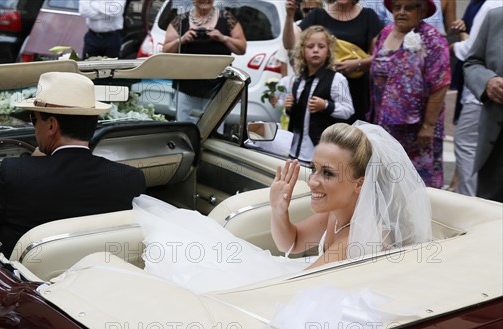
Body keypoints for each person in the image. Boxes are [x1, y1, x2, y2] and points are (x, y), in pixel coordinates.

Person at [133, 122, 432, 292]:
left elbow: (295, 287)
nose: (313, 181)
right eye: (313, 169)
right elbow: (292, 242)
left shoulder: (363, 237)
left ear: (359, 183)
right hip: (302, 284)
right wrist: (279, 209)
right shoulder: (338, 213)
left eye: (327, 173)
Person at [0, 72, 147, 258]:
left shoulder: (16, 173)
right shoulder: (130, 179)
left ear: (52, 126)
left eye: (33, 119)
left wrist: (33, 162)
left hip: (23, 281)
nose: (34, 127)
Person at [368, 0, 451, 188]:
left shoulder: (433, 39)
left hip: (417, 129)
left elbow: (441, 84)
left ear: (421, 10)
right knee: (386, 180)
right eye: (397, 7)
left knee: (416, 183)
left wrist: (428, 125)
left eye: (409, 7)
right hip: (384, 124)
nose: (402, 12)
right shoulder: (386, 32)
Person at [283, 0, 384, 122]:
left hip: (357, 91)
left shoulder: (368, 16)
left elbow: (379, 56)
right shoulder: (317, 14)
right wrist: (289, 16)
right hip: (321, 94)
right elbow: (289, 44)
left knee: (352, 138)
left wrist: (357, 64)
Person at [271, 26, 354, 163]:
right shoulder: (296, 81)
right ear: (302, 51)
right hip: (293, 150)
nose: (315, 50)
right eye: (310, 46)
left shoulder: (337, 79)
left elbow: (348, 110)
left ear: (328, 52)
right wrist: (288, 107)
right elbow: (289, 110)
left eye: (321, 46)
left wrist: (326, 105)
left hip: (320, 151)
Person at [161, 0, 246, 123]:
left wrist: (223, 38)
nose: (205, 0)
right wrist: (182, 39)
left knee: (213, 127)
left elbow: (242, 48)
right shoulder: (180, 20)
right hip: (186, 86)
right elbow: (166, 51)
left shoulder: (227, 18)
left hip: (217, 86)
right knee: (184, 126)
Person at [448, 0, 499, 196]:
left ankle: (470, 203)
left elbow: (471, 50)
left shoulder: (490, 7)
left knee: (467, 146)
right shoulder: (487, 7)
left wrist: (453, 47)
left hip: (479, 99)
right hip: (484, 91)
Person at [463, 6, 503, 203]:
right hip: (496, 142)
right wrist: (487, 81)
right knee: (491, 216)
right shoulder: (496, 17)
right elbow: (472, 62)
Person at [275, 0, 324, 77]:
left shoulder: (326, 29)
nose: (310, 13)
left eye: (313, 10)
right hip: (296, 80)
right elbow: (283, 60)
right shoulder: (293, 28)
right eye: (306, 10)